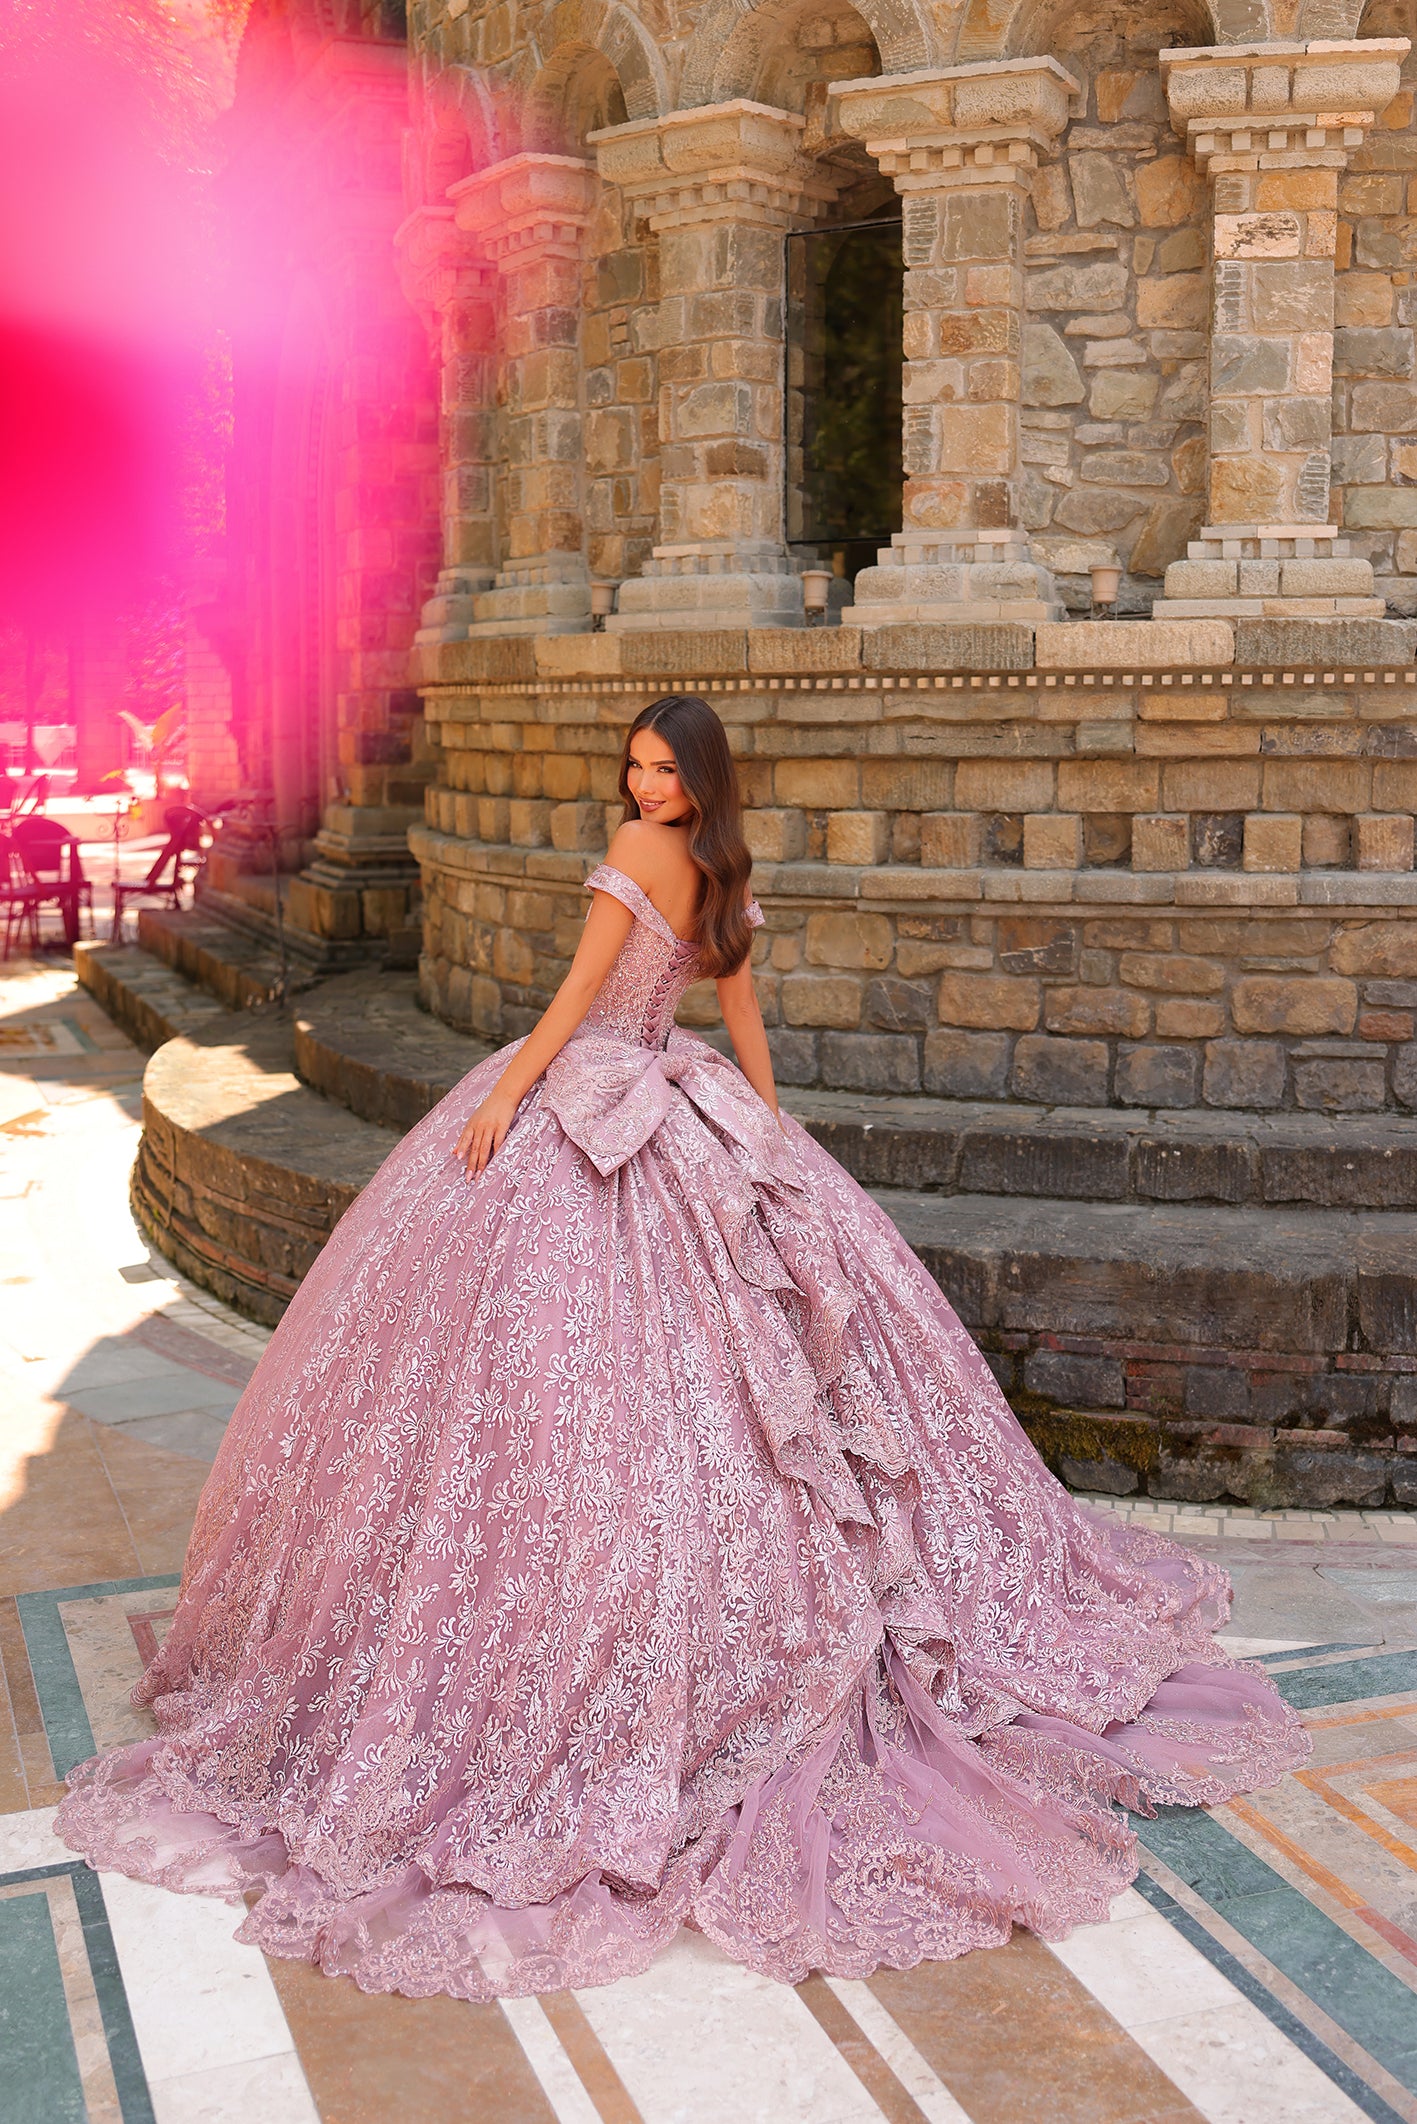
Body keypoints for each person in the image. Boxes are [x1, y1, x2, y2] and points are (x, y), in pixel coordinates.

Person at [57, 694, 1307, 2000]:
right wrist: (768, 1138)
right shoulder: (718, 870)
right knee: (735, 1389)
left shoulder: (633, 859)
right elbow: (741, 1018)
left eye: (663, 770)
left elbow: (577, 1002)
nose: (645, 786)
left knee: (557, 1387)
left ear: (691, 778)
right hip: (677, 1099)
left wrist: (503, 1098)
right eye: (635, 768)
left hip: (599, 1093)